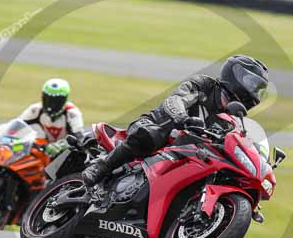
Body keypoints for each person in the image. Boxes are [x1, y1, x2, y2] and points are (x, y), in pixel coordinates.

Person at [81, 54, 269, 187]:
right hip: (156, 127)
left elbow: (235, 141)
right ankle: (101, 167)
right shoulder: (204, 85)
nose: (254, 91)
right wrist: (184, 118)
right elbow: (176, 100)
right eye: (253, 84)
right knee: (152, 134)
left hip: (186, 152)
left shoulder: (234, 118)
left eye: (259, 88)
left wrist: (260, 155)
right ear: (236, 75)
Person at [19, 78, 84, 155]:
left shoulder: (72, 113)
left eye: (56, 100)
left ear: (64, 100)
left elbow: (80, 138)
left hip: (65, 155)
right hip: (43, 150)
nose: (51, 104)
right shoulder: (35, 109)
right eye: (48, 99)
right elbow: (17, 125)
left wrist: (62, 145)